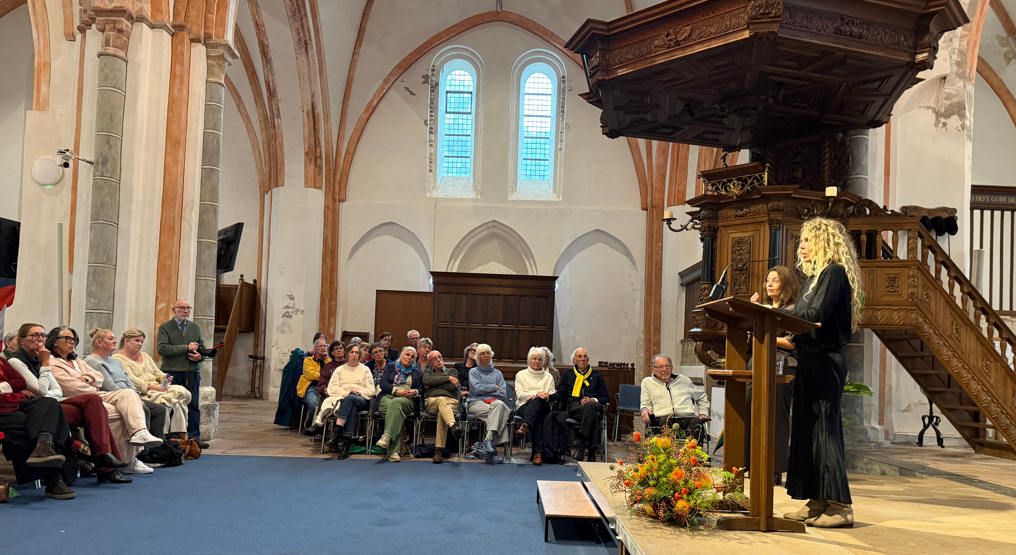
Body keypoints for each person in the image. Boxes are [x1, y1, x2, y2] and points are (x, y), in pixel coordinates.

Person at [770, 217, 863, 529]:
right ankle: (817, 501)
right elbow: (800, 318)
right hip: (808, 360)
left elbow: (813, 315)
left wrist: (772, 312)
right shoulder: (812, 279)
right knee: (807, 432)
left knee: (825, 431)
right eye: (802, 241)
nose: (802, 246)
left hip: (826, 360)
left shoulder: (834, 273)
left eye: (809, 240)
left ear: (825, 242)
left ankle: (840, 507)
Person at [7, 324, 138, 478]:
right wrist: (45, 366)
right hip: (35, 409)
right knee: (97, 412)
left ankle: (104, 456)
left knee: (94, 401)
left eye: (43, 335)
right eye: (35, 335)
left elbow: (56, 390)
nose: (40, 339)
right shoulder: (17, 361)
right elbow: (42, 389)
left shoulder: (47, 360)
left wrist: (85, 379)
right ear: (22, 340)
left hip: (52, 402)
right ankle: (106, 465)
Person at [47, 326, 156, 480]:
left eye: (74, 339)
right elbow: (72, 388)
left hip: (96, 395)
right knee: (117, 412)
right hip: (76, 400)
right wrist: (91, 383)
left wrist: (86, 379)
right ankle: (125, 460)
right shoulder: (52, 363)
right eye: (68, 338)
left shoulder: (77, 361)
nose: (72, 342)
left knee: (129, 394)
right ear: (55, 342)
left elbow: (99, 377)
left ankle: (139, 433)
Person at [747, 266, 801, 480]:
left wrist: (765, 333)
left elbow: (791, 343)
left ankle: (775, 469)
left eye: (775, 280)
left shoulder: (793, 309)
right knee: (749, 409)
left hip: (782, 363)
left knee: (776, 416)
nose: (769, 284)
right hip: (757, 362)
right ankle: (748, 462)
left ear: (786, 284)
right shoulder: (764, 308)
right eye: (767, 280)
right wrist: (753, 314)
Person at [0, 356, 79, 499]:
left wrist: (3, 388)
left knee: (49, 404)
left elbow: (20, 382)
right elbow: (16, 384)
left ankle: (44, 444)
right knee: (34, 424)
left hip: (14, 404)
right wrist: (8, 387)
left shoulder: (1, 361)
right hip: (3, 411)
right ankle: (53, 479)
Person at [85, 328, 169, 445]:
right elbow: (109, 386)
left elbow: (128, 381)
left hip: (129, 396)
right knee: (145, 410)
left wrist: (136, 395)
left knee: (159, 409)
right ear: (99, 343)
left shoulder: (115, 361)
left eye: (115, 338)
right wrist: (131, 397)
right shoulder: (92, 361)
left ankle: (157, 450)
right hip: (113, 396)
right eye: (111, 339)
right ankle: (142, 451)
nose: (115, 341)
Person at [113, 328, 194, 440]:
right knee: (167, 402)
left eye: (142, 341)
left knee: (178, 402)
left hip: (158, 387)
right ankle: (162, 439)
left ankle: (183, 440)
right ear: (126, 341)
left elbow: (156, 372)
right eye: (137, 341)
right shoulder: (117, 359)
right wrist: (150, 387)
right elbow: (129, 378)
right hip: (142, 392)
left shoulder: (145, 356)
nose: (140, 344)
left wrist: (164, 377)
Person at [156, 299, 206, 444]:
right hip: (172, 372)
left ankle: (194, 437)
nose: (185, 311)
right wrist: (186, 348)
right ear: (174, 310)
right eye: (182, 308)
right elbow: (162, 349)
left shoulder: (195, 327)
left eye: (188, 308)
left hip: (192, 372)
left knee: (193, 405)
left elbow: (201, 348)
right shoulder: (165, 327)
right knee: (173, 404)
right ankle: (174, 437)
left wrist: (200, 357)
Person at [313, 344, 374, 458]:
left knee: (350, 399)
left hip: (361, 399)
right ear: (347, 354)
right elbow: (332, 388)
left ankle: (336, 436)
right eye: (352, 352)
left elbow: (371, 390)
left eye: (357, 353)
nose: (354, 355)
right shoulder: (339, 370)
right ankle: (346, 444)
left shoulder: (365, 370)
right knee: (350, 403)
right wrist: (344, 394)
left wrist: (358, 392)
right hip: (345, 398)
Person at [552, 347, 608, 461]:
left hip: (594, 406)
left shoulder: (597, 375)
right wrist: (548, 396)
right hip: (575, 408)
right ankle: (591, 452)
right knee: (595, 416)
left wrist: (593, 400)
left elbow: (606, 397)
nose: (583, 359)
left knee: (590, 407)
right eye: (579, 356)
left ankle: (582, 447)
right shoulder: (568, 374)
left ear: (588, 359)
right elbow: (561, 394)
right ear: (574, 360)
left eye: (585, 356)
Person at [639, 354, 709, 442]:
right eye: (660, 367)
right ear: (653, 370)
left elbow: (702, 396)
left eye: (667, 366)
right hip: (662, 418)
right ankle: (665, 451)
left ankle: (693, 450)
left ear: (671, 368)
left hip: (686, 418)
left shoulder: (684, 380)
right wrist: (645, 409)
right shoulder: (647, 382)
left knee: (697, 423)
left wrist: (703, 412)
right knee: (663, 422)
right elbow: (645, 403)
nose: (664, 370)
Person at [373, 347, 422, 462]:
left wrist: (414, 392)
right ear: (401, 355)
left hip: (406, 400)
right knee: (396, 412)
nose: (409, 358)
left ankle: (387, 436)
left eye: (412, 357)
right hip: (388, 396)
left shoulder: (417, 373)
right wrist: (396, 391)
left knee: (396, 404)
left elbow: (421, 389)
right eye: (407, 355)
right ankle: (394, 451)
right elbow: (383, 384)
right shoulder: (390, 367)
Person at [466, 344, 511, 456]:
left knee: (500, 405)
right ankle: (491, 449)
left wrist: (485, 390)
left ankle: (488, 441)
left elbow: (502, 394)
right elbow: (476, 389)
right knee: (501, 413)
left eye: (488, 353)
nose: (486, 355)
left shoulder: (498, 374)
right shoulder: (473, 372)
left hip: (495, 403)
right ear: (478, 357)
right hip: (476, 402)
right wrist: (493, 387)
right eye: (483, 354)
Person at [514, 347, 556, 465]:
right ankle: (537, 453)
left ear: (543, 361)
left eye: (539, 359)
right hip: (524, 405)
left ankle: (525, 425)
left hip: (544, 406)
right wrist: (536, 394)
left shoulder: (548, 376)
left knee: (538, 401)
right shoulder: (521, 375)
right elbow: (520, 395)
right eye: (534, 359)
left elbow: (551, 394)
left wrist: (542, 396)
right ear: (529, 360)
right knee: (535, 416)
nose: (537, 361)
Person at [421, 350, 463, 464]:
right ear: (430, 363)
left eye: (439, 357)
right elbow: (426, 380)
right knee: (441, 400)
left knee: (442, 413)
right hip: (432, 402)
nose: (439, 360)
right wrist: (448, 379)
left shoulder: (452, 371)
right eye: (434, 359)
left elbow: (452, 387)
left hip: (451, 402)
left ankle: (438, 451)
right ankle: (453, 425)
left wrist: (433, 384)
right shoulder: (428, 372)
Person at [297, 339, 330, 430]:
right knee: (314, 404)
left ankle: (322, 427)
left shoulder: (329, 362)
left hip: (326, 388)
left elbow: (331, 374)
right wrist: (324, 376)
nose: (323, 348)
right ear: (315, 349)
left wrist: (327, 359)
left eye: (325, 346)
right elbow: (311, 375)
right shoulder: (308, 360)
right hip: (312, 387)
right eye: (320, 346)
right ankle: (310, 423)